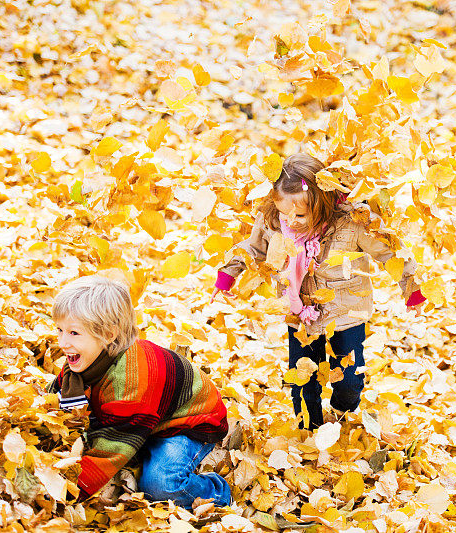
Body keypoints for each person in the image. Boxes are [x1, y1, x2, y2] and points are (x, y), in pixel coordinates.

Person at [212, 153, 425, 429]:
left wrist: (412, 290)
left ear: (322, 204)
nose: (293, 221)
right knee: (303, 382)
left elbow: (390, 253)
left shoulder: (353, 223)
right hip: (299, 312)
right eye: (285, 213)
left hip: (345, 312)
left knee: (349, 381)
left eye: (301, 214)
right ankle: (308, 429)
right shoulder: (273, 222)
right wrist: (227, 275)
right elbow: (252, 248)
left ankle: (339, 411)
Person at [47, 276, 231, 508]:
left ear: (108, 335)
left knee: (160, 485)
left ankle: (218, 492)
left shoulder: (132, 379)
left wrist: (69, 491)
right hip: (145, 416)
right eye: (59, 330)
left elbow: (112, 447)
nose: (63, 342)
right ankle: (141, 438)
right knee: (118, 436)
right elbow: (54, 400)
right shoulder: (81, 361)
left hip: (190, 421)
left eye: (73, 333)